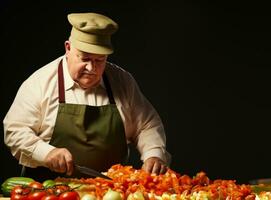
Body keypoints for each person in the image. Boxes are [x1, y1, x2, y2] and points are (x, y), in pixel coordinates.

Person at [3, 12, 171, 181]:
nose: (91, 68)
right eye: (85, 58)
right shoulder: (40, 83)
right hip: (48, 191)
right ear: (68, 48)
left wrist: (153, 154)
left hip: (109, 192)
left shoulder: (122, 82)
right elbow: (15, 131)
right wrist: (46, 153)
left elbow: (147, 124)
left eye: (100, 60)